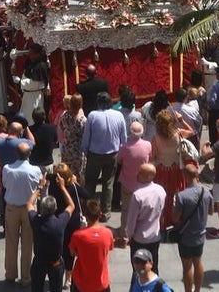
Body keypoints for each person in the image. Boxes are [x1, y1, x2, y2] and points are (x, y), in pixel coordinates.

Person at [27, 171, 76, 292]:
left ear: (42, 209)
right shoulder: (60, 223)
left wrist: (40, 187)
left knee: (36, 288)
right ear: (55, 209)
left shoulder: (36, 221)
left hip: (39, 263)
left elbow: (29, 203)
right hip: (56, 264)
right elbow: (71, 205)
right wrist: (63, 187)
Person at [2, 141, 42, 286]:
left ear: (16, 154)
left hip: (12, 208)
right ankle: (26, 277)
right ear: (29, 154)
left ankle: (10, 274)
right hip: (29, 210)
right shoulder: (35, 170)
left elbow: (5, 184)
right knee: (27, 244)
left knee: (11, 242)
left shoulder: (7, 169)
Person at [82, 92, 127, 220]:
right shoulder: (118, 115)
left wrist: (85, 150)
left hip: (95, 154)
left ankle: (89, 211)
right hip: (112, 154)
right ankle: (106, 212)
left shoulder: (92, 115)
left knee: (90, 183)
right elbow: (123, 137)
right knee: (108, 184)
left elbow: (87, 136)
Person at [171, 163, 211, 292]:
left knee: (187, 266)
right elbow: (211, 211)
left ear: (185, 175)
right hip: (200, 235)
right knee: (198, 262)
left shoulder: (182, 196)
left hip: (186, 237)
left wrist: (173, 205)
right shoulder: (206, 192)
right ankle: (197, 290)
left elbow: (175, 218)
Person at [121, 163, 165, 271]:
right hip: (155, 237)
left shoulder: (138, 195)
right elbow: (161, 212)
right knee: (153, 269)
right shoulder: (161, 190)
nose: (137, 174)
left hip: (139, 239)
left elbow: (131, 221)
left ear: (149, 176)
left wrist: (129, 235)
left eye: (141, 173)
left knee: (138, 271)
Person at [68, 200, 114, 292]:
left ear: (86, 216)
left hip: (81, 283)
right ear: (100, 214)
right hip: (101, 283)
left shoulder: (77, 235)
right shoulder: (108, 233)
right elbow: (109, 248)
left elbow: (72, 253)